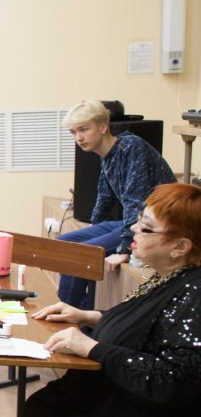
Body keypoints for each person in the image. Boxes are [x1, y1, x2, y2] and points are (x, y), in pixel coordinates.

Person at [22, 182, 201, 417]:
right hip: (140, 407)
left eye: (146, 227)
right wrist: (88, 316)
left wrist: (94, 348)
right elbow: (150, 329)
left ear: (181, 247)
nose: (133, 229)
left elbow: (172, 380)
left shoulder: (194, 293)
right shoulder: (174, 278)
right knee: (38, 412)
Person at [57, 100, 176, 308]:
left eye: (83, 129)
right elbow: (104, 197)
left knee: (81, 254)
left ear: (103, 126)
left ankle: (67, 313)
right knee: (61, 245)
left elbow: (135, 200)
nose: (78, 138)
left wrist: (125, 248)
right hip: (131, 223)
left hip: (156, 229)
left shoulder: (130, 147)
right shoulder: (108, 155)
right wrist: (95, 228)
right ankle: (79, 311)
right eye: (73, 132)